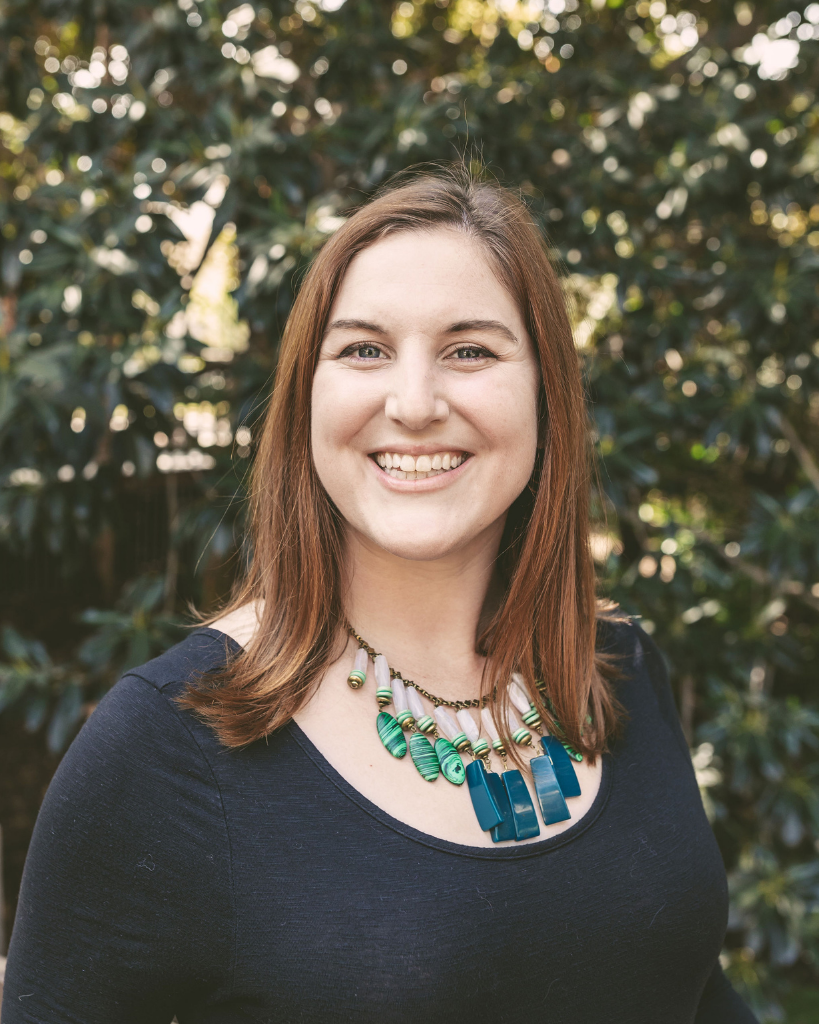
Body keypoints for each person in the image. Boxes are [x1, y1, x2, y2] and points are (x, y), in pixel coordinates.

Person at [2, 166, 757, 1023]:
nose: (414, 403)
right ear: (306, 397)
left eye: (469, 350)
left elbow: (688, 988)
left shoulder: (616, 668)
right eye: (363, 349)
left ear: (547, 390)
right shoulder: (169, 749)